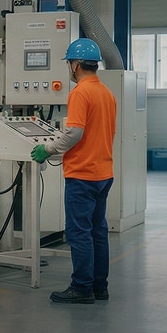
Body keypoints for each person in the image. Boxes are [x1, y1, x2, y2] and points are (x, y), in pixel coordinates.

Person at [30, 37, 117, 305]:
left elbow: (74, 134)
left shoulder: (80, 92)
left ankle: (81, 288)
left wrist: (48, 149)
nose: (69, 67)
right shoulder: (106, 93)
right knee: (97, 231)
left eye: (69, 62)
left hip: (83, 175)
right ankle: (99, 287)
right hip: (103, 173)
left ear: (76, 64)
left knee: (79, 232)